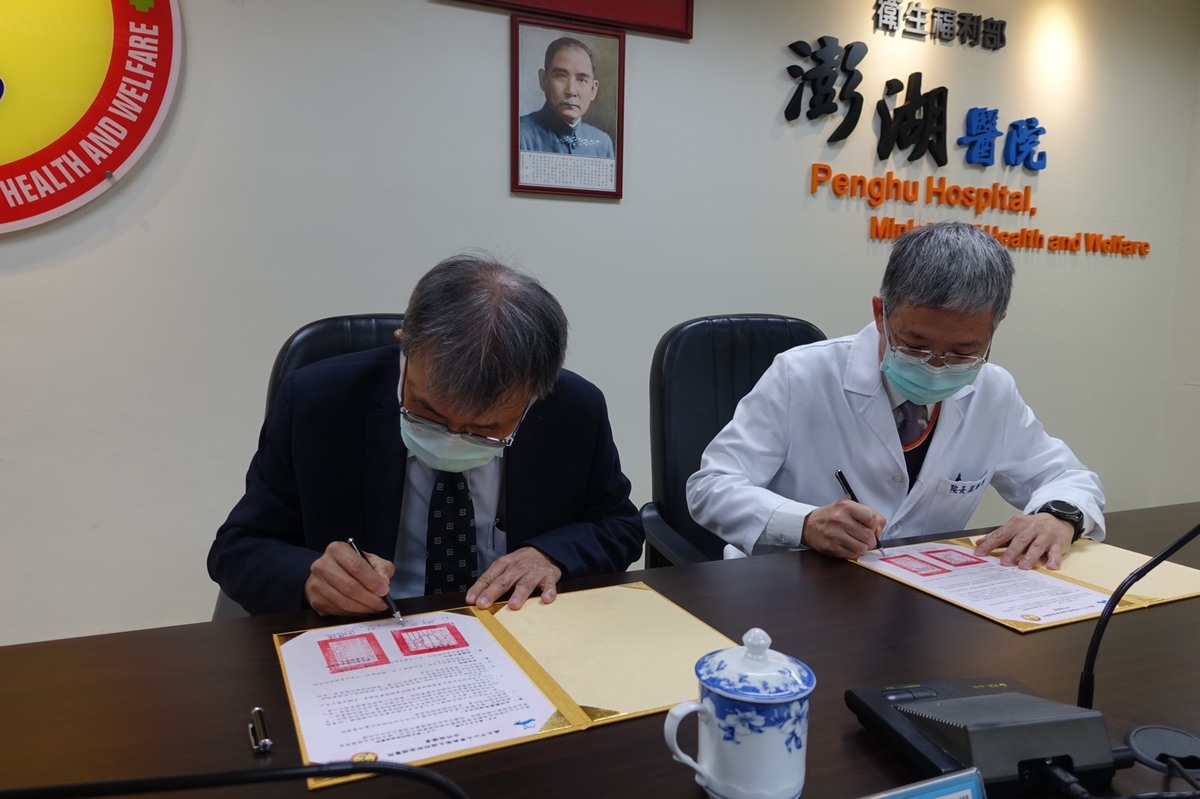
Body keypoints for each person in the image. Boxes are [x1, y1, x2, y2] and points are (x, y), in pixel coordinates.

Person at [208, 255, 643, 616]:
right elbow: (239, 547)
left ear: (536, 392)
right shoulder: (318, 401)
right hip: (374, 635)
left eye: (486, 428)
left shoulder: (573, 408)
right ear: (406, 345)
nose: (453, 435)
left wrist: (550, 555)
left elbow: (619, 525)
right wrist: (309, 577)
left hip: (516, 628)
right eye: (428, 411)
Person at [687, 221, 1105, 570]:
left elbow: (1067, 477)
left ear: (995, 328)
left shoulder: (993, 391)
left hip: (924, 596)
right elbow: (711, 487)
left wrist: (1058, 517)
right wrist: (804, 523)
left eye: (963, 351)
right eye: (915, 344)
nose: (936, 366)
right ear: (880, 313)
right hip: (790, 587)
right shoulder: (803, 374)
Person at [519, 37, 615, 158]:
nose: (571, 91)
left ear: (593, 89)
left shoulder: (602, 143)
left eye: (582, 80)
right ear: (543, 80)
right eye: (561, 76)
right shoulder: (521, 133)